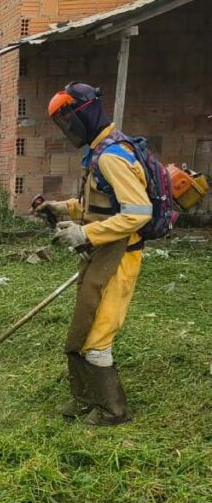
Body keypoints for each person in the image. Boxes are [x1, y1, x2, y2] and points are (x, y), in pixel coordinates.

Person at [35, 82, 152, 426]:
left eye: (69, 120)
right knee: (82, 328)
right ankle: (85, 400)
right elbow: (98, 205)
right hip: (100, 255)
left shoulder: (113, 157)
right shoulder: (101, 152)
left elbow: (138, 212)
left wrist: (84, 233)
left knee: (98, 337)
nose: (68, 129)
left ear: (85, 113)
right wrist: (63, 208)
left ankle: (113, 411)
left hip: (118, 257)